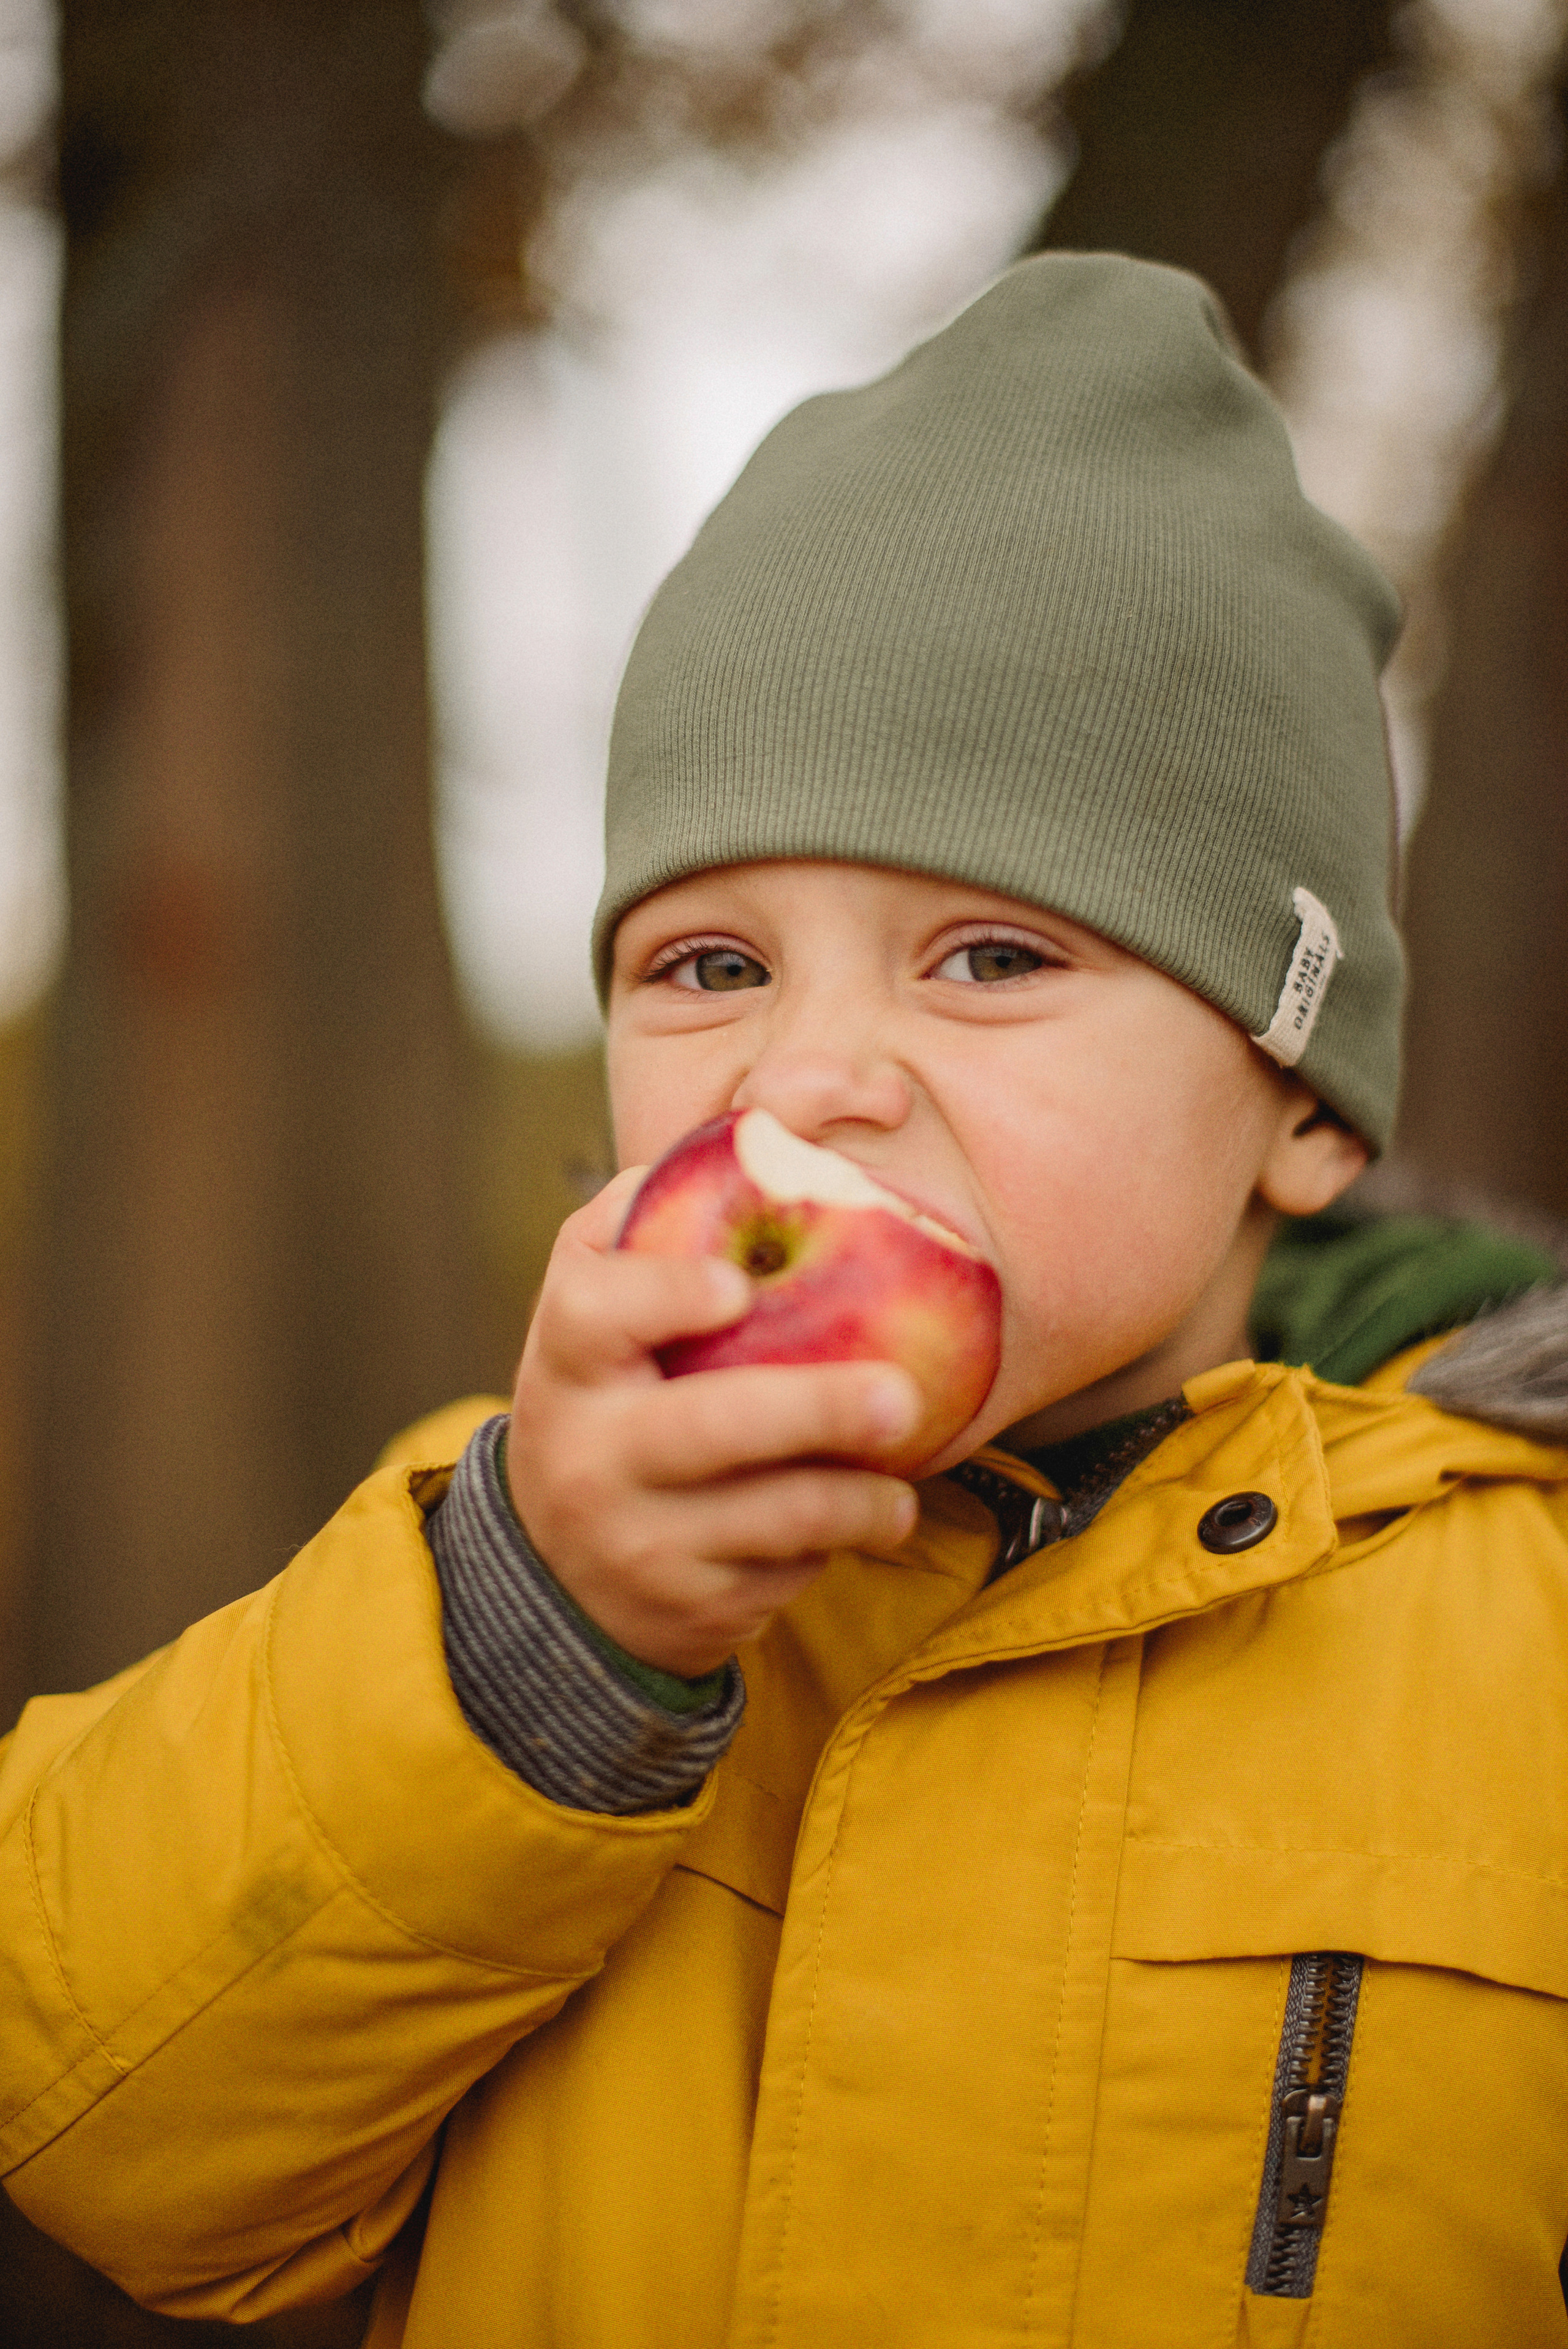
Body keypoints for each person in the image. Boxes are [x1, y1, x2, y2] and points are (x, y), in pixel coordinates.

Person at [3, 254, 1567, 2348]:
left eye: (993, 957)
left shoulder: (1528, 1629)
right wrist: (542, 1647)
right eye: (714, 965)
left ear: (1301, 1104)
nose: (807, 1074)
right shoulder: (507, 1547)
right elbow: (96, 2127)